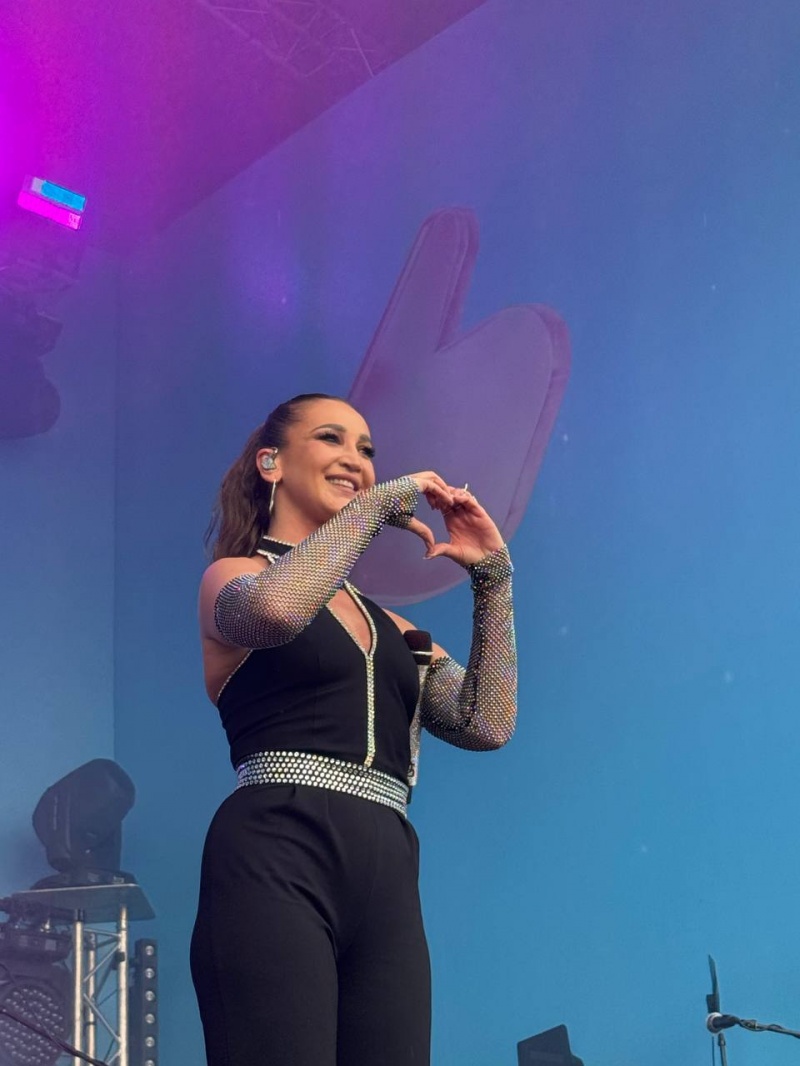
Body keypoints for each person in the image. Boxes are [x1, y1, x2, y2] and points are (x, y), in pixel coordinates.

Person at [190, 392, 517, 1066]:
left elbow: (485, 721)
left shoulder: (394, 628)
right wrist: (372, 511)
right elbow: (277, 614)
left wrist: (492, 577)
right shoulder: (237, 577)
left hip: (387, 869)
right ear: (271, 463)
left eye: (367, 450)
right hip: (277, 848)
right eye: (331, 439)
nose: (356, 460)